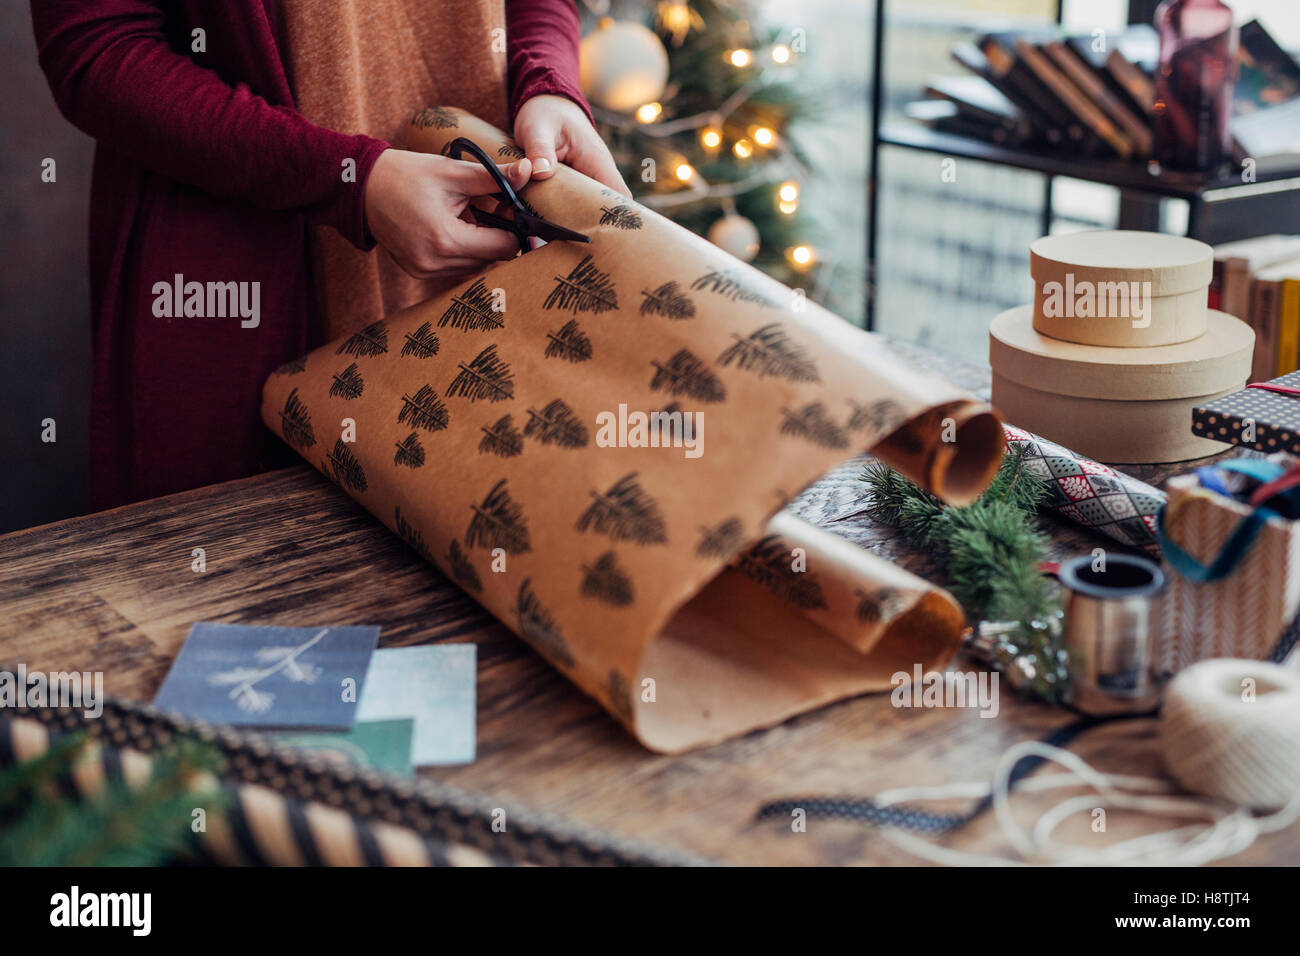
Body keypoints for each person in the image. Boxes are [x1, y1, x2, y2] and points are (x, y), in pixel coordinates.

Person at [31, 0, 629, 510]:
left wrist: (549, 85)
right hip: (238, 294)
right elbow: (96, 47)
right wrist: (348, 183)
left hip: (489, 265)